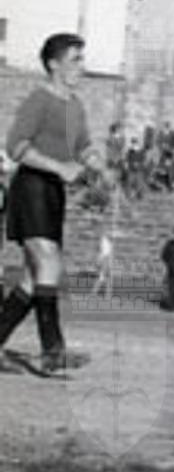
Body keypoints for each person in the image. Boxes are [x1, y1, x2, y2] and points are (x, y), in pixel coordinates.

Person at [0, 33, 100, 376]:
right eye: (75, 59)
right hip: (31, 186)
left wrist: (98, 166)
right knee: (48, 262)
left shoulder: (75, 106)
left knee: (34, 277)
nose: (82, 66)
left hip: (54, 192)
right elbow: (16, 146)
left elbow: (82, 147)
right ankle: (52, 350)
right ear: (54, 64)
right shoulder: (39, 100)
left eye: (82, 59)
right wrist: (59, 167)